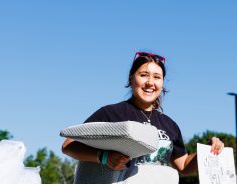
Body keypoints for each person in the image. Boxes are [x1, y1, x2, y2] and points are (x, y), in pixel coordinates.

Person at [62, 51, 224, 173]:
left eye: (157, 77)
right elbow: (68, 145)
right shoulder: (111, 113)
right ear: (131, 79)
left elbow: (183, 166)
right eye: (144, 75)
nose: (150, 83)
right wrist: (103, 157)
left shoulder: (169, 125)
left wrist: (207, 150)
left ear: (162, 83)